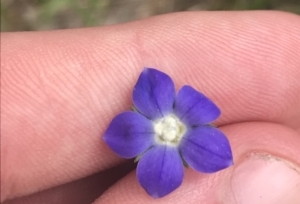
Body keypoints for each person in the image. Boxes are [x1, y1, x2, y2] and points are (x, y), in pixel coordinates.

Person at [1, 11, 300, 204]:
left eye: (174, 128)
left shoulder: (207, 146)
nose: (169, 129)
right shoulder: (141, 114)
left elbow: (219, 157)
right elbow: (116, 137)